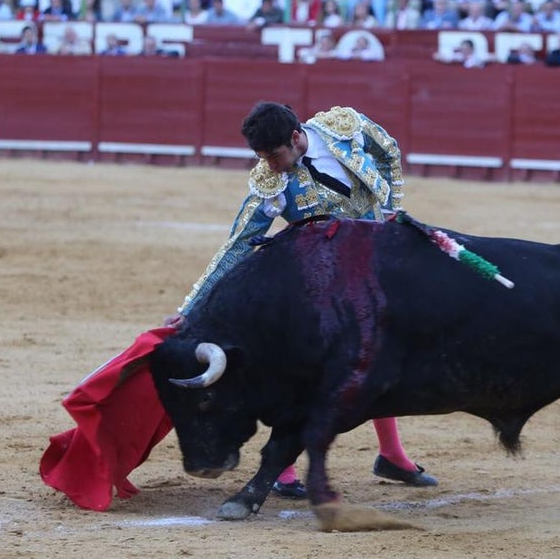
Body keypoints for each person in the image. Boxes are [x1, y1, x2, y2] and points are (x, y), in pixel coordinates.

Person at [174, 102, 438, 499]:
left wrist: (391, 208)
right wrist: (190, 308)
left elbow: (389, 150)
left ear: (297, 137)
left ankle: (392, 455)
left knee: (381, 355)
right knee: (302, 364)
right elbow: (239, 244)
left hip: (374, 266)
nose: (271, 166)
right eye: (262, 158)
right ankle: (285, 468)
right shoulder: (271, 182)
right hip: (316, 282)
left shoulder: (343, 128)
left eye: (275, 155)